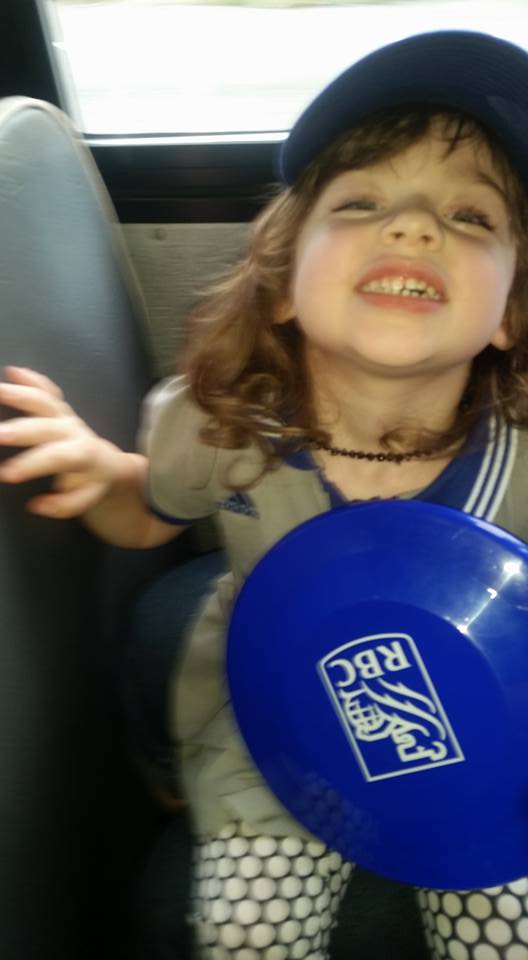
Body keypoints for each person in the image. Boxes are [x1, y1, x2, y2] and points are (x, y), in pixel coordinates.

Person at [2, 27, 528, 960]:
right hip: (273, 715)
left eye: (470, 216)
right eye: (362, 201)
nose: (414, 227)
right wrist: (100, 472)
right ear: (283, 282)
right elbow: (151, 510)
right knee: (245, 932)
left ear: (509, 315)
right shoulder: (220, 427)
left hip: (486, 729)